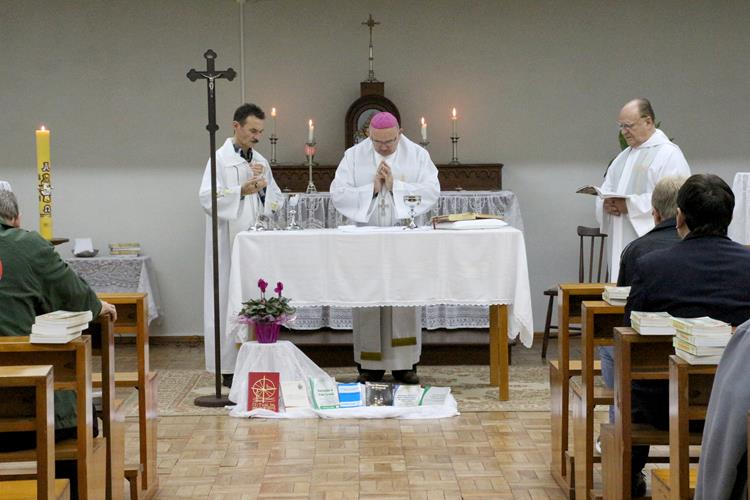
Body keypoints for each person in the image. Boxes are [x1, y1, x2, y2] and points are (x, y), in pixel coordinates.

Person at [622, 174, 750, 495]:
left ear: (679, 217)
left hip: (662, 407)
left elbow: (629, 329)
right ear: (729, 217)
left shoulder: (652, 266)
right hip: (738, 408)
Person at [0, 189, 117, 497]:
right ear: (16, 219)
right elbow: (77, 298)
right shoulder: (27, 245)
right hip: (31, 412)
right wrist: (98, 306)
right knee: (75, 424)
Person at [330, 111, 440, 384]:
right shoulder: (353, 156)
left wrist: (395, 186)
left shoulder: (417, 155)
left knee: (403, 297)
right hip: (366, 241)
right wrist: (372, 189)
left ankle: (405, 365)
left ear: (399, 133)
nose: (384, 147)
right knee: (368, 297)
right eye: (378, 142)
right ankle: (369, 366)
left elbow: (432, 190)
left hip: (404, 241)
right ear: (369, 135)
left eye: (390, 141)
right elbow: (338, 193)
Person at [198, 103, 284, 387]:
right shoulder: (219, 160)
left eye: (260, 131)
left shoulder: (260, 160)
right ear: (236, 126)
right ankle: (229, 367)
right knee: (228, 297)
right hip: (228, 243)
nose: (257, 136)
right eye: (252, 130)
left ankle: (256, 362)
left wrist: (263, 190)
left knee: (255, 294)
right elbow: (207, 198)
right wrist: (241, 191)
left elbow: (275, 201)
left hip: (255, 245)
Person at [598, 175, 686, 428]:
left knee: (609, 347)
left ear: (654, 213)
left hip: (652, 394)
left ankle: (622, 431)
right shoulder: (737, 258)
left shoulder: (638, 252)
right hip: (718, 388)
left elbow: (627, 315)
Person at [595, 98, 691, 282]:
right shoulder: (622, 158)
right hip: (620, 237)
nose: (624, 132)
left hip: (654, 245)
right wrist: (606, 204)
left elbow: (675, 200)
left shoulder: (669, 154)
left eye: (629, 125)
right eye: (621, 126)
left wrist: (629, 205)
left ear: (648, 121)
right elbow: (607, 190)